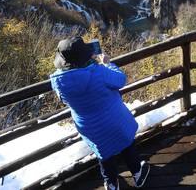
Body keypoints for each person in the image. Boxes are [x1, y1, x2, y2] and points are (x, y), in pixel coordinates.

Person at [50, 37, 149, 190]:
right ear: (84, 56)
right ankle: (137, 173)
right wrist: (107, 63)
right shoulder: (98, 71)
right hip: (114, 119)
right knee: (126, 144)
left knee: (103, 151)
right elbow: (121, 80)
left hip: (90, 126)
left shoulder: (58, 81)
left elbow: (66, 95)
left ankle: (111, 183)